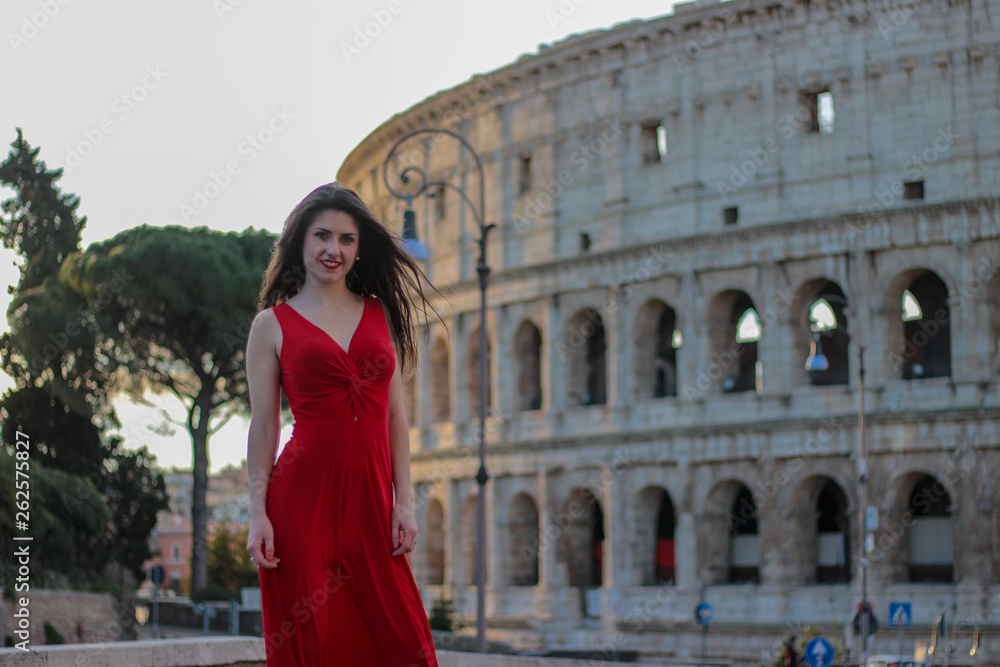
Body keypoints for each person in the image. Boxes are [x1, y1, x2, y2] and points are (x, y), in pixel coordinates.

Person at [245, 184, 442, 666]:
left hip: (373, 504)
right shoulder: (270, 325)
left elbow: (395, 416)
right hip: (299, 504)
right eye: (322, 236)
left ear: (359, 248)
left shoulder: (381, 314)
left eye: (347, 239)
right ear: (301, 243)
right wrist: (257, 514)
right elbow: (264, 427)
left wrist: (404, 502)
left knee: (406, 646)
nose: (334, 249)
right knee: (309, 643)